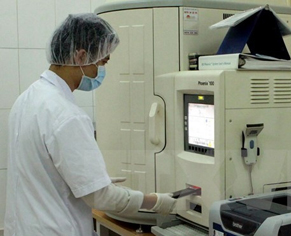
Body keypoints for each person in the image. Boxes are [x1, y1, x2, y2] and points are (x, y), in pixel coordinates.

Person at [4, 13, 176, 236]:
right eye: (102, 62)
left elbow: (42, 169)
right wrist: (154, 201)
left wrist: (92, 179)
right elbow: (99, 197)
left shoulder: (27, 99)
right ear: (81, 56)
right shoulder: (66, 115)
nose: (101, 72)